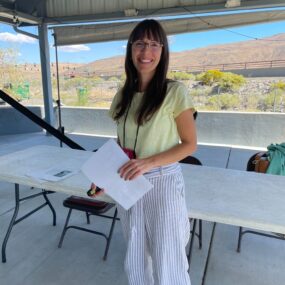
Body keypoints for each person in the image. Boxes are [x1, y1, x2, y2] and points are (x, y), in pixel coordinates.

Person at [91, 19, 197, 285]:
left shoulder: (174, 92)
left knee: (168, 262)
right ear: (130, 49)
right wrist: (105, 175)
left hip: (162, 182)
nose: (145, 51)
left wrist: (147, 163)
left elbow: (189, 144)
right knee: (136, 259)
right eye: (139, 43)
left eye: (153, 44)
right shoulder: (123, 94)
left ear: (162, 51)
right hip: (129, 181)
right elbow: (120, 140)